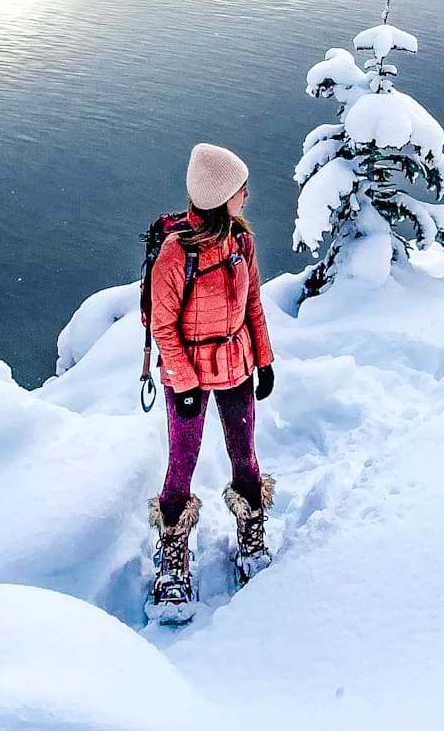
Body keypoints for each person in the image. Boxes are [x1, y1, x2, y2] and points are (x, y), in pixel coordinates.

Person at [148, 141, 277, 617]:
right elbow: (164, 327)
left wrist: (263, 361)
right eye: (241, 188)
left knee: (244, 453)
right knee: (182, 461)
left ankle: (251, 530)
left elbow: (254, 305)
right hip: (190, 374)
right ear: (221, 195)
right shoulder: (175, 255)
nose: (247, 194)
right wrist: (182, 384)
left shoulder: (242, 242)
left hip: (238, 365)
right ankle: (174, 556)